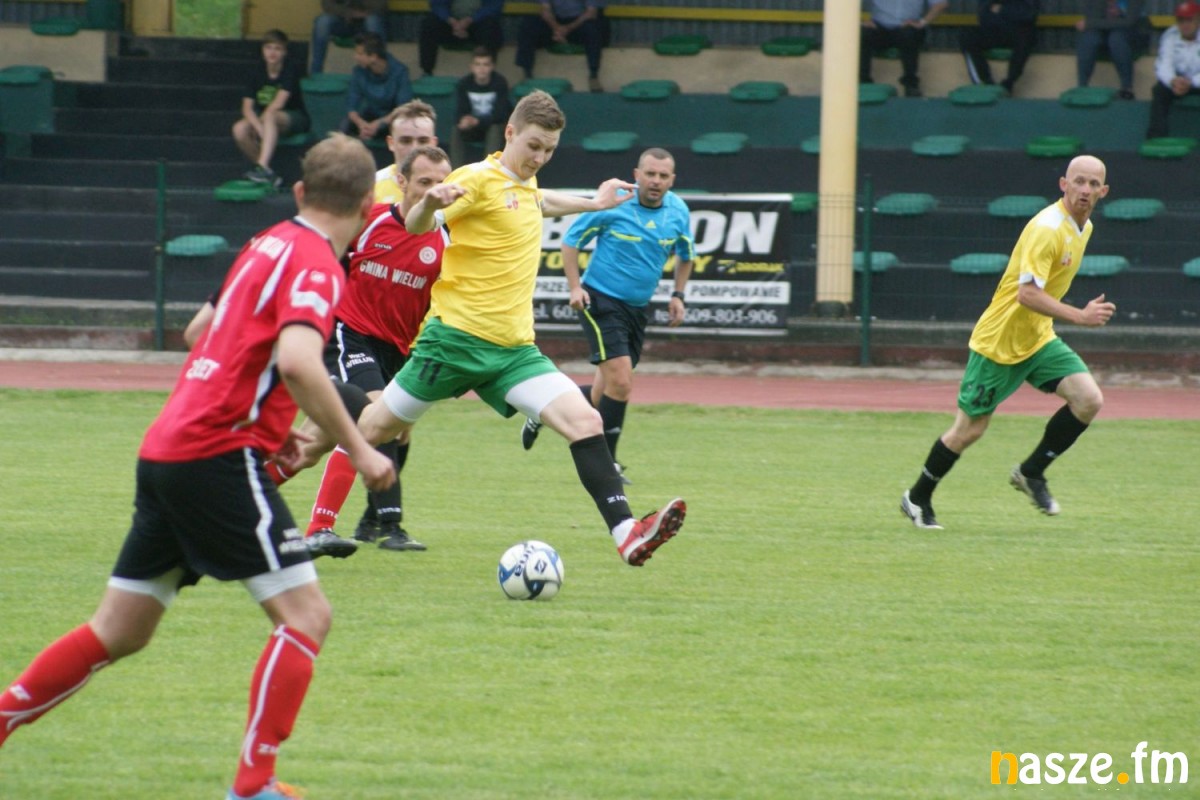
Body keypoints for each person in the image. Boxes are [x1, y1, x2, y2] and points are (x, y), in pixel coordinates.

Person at [0, 134, 395, 800]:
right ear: (366, 208)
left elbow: (199, 335)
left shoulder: (264, 244)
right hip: (215, 455)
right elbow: (298, 361)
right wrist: (359, 448)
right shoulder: (318, 264)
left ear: (299, 191)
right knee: (306, 616)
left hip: (168, 448)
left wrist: (267, 423)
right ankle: (254, 785)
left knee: (119, 631)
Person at [295, 90, 687, 567]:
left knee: (586, 422)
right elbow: (418, 225)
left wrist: (595, 203)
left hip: (513, 351)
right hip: (453, 344)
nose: (539, 157)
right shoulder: (475, 178)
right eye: (533, 146)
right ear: (510, 133)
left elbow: (540, 201)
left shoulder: (524, 184)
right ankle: (314, 523)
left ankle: (628, 535)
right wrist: (428, 203)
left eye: (549, 150)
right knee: (372, 427)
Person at [899, 155, 1115, 531]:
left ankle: (1031, 472)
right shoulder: (1047, 228)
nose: (1085, 190)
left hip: (1037, 338)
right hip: (999, 343)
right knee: (969, 430)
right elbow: (1026, 294)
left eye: (1093, 184)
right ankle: (917, 497)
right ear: (1063, 184)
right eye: (1079, 181)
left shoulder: (1084, 226)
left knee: (1088, 400)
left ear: (1104, 191)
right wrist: (1080, 316)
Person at [305, 145, 453, 559]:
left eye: (442, 183)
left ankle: (256, 487)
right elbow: (320, 251)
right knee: (374, 416)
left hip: (399, 350)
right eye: (425, 182)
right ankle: (353, 526)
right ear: (401, 182)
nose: (434, 190)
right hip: (352, 335)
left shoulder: (448, 240)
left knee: (316, 444)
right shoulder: (370, 220)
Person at [519, 147, 694, 488]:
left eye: (663, 176)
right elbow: (570, 242)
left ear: (672, 180)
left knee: (606, 393)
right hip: (599, 299)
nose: (656, 181)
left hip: (637, 308)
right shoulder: (616, 203)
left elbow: (685, 254)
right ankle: (608, 463)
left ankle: (541, 409)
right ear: (637, 175)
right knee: (622, 382)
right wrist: (575, 287)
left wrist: (678, 294)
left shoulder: (678, 211)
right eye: (650, 174)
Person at [233, 29, 309, 190]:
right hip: (264, 119)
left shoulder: (289, 69)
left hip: (293, 117)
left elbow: (278, 103)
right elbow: (247, 108)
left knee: (271, 116)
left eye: (277, 48)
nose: (272, 52)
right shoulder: (256, 71)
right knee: (239, 129)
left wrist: (260, 125)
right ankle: (267, 172)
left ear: (284, 52)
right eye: (268, 48)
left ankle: (261, 166)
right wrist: (258, 127)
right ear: (262, 50)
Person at [859, 0, 948, 98]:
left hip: (908, 26)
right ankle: (863, 83)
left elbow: (941, 4)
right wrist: (859, 21)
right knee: (862, 33)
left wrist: (922, 22)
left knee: (909, 34)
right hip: (878, 26)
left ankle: (911, 85)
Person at [515, 0, 608, 93]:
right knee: (528, 25)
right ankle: (527, 75)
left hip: (580, 23)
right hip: (556, 22)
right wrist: (557, 28)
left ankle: (594, 75)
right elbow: (545, 10)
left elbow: (591, 13)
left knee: (594, 29)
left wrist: (567, 29)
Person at [343, 32, 413, 141]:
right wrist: (361, 124)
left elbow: (403, 108)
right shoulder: (358, 72)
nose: (355, 57)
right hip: (371, 115)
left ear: (373, 57)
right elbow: (351, 105)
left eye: (360, 54)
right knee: (345, 125)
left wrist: (379, 124)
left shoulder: (400, 72)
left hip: (392, 118)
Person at [960, 0, 1039, 96]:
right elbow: (983, 15)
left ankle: (1008, 84)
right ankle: (986, 83)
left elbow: (1029, 14)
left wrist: (1002, 9)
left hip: (1018, 32)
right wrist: (1011, 13)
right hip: (994, 31)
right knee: (967, 36)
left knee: (1026, 36)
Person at [1146, 1, 1200, 139]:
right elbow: (1163, 64)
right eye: (1181, 20)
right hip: (1178, 82)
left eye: (1189, 20)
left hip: (1196, 81)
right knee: (1159, 90)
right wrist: (1172, 80)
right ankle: (1156, 137)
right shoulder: (1170, 36)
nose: (1185, 25)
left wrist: (1192, 82)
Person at [451, 46, 512, 167]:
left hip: (495, 127)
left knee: (494, 129)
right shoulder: (464, 84)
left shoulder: (500, 82)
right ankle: (455, 170)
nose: (481, 69)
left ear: (492, 66)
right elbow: (460, 111)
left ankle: (488, 169)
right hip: (474, 128)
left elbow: (501, 115)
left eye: (486, 64)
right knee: (456, 130)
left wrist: (478, 121)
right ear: (472, 67)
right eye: (478, 64)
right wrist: (464, 120)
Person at [1076, 0, 1150, 100]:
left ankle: (1127, 89)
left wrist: (1091, 23)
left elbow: (1129, 22)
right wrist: (1093, 23)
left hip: (1134, 32)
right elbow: (1093, 17)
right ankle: (1082, 88)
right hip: (1104, 30)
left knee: (1116, 38)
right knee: (1089, 39)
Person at [375, 100, 439, 205]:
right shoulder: (373, 185)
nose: (414, 148)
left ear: (433, 143)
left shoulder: (449, 187)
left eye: (423, 141)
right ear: (391, 143)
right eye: (406, 141)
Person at [418, 0, 505, 77]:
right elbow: (438, 5)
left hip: (478, 23)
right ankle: (427, 71)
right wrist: (450, 20)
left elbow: (493, 6)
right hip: (451, 24)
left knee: (491, 27)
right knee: (429, 24)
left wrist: (470, 20)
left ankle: (487, 74)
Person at [311, 0, 387, 75]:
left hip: (367, 18)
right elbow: (327, 4)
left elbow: (380, 5)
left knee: (373, 21)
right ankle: (316, 73)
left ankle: (379, 69)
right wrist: (349, 13)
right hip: (343, 20)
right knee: (322, 22)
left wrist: (363, 11)